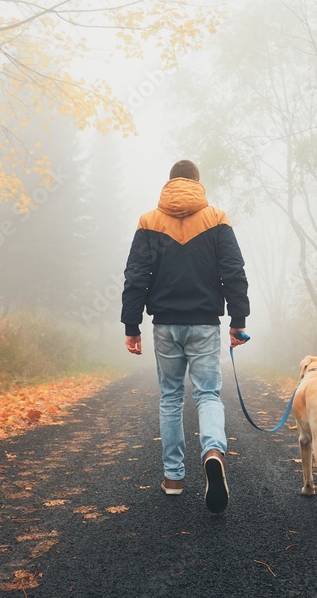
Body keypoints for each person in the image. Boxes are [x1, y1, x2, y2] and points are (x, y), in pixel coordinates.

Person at [122, 159, 249, 514]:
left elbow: (135, 276)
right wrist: (238, 320)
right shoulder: (217, 218)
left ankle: (173, 478)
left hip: (164, 324)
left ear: (171, 182)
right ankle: (212, 452)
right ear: (197, 182)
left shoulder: (149, 221)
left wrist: (132, 326)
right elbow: (233, 272)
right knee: (208, 394)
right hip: (205, 323)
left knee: (171, 398)